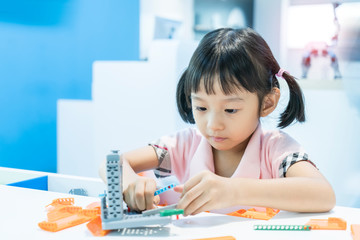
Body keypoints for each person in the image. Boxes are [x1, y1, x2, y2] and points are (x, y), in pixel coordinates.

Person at [99, 27, 335, 216]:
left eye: (230, 109)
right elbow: (112, 164)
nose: (213, 125)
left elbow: (323, 193)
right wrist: (130, 183)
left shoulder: (276, 150)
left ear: (267, 103)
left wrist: (232, 190)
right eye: (201, 107)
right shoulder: (181, 147)